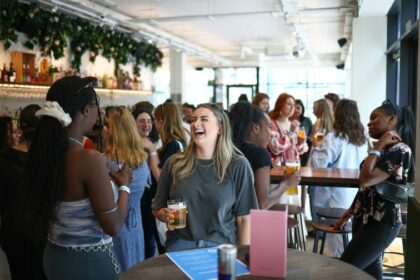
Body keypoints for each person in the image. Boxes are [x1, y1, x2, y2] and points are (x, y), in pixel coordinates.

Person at [26, 76, 132, 280]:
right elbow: (114, 226)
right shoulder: (87, 158)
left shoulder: (45, 153)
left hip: (55, 255)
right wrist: (125, 186)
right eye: (96, 106)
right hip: (87, 263)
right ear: (85, 110)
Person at [152, 104, 258, 252]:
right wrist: (164, 215)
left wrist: (245, 255)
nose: (196, 123)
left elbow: (245, 218)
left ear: (220, 128)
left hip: (221, 247)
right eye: (193, 119)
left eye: (204, 119)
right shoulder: (174, 163)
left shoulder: (237, 165)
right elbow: (157, 207)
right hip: (180, 246)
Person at [333, 100, 414, 279]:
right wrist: (348, 213)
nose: (369, 123)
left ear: (392, 120)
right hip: (365, 220)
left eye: (374, 118)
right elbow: (366, 188)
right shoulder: (385, 149)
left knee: (343, 271)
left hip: (382, 223)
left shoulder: (401, 150)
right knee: (370, 275)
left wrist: (376, 148)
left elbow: (366, 178)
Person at [310, 99, 367, 257]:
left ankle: (339, 268)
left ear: (338, 114)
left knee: (336, 237)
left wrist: (316, 146)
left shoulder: (334, 137)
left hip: (334, 194)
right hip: (354, 194)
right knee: (348, 235)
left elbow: (319, 163)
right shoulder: (361, 138)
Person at [0, 104, 46, 280]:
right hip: (44, 233)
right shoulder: (50, 159)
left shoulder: (4, 158)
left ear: (19, 127)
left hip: (14, 233)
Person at [104, 107, 150, 271]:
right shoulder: (142, 159)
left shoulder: (108, 163)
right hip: (136, 225)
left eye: (106, 125)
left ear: (113, 130)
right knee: (135, 269)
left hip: (115, 226)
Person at [230, 101, 299, 209]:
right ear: (256, 129)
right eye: (269, 128)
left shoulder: (229, 149)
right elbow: (262, 203)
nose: (272, 133)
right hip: (248, 222)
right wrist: (286, 183)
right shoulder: (259, 155)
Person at [132, 107, 163, 257]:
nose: (146, 125)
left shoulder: (154, 143)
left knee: (150, 240)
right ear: (133, 124)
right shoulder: (131, 145)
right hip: (137, 199)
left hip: (151, 198)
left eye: (149, 121)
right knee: (142, 240)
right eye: (142, 121)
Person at [268, 93, 306, 167]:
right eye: (289, 104)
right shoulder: (272, 124)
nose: (292, 107)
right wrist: (291, 132)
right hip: (279, 167)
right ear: (280, 105)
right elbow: (275, 148)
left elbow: (298, 150)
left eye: (293, 105)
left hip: (294, 166)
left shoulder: (294, 125)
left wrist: (301, 142)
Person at [291, 99, 312, 166]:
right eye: (294, 108)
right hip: (291, 149)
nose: (296, 110)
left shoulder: (307, 120)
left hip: (304, 150)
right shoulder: (288, 120)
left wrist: (306, 137)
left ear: (302, 109)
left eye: (298, 108)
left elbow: (312, 134)